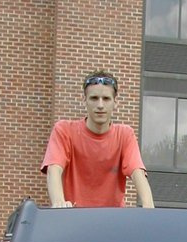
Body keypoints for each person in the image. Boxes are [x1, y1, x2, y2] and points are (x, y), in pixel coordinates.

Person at [41, 70, 154, 209]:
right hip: (73, 218)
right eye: (94, 98)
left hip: (111, 222)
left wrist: (148, 207)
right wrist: (58, 203)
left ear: (115, 103)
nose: (100, 105)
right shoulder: (64, 131)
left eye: (106, 99)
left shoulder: (125, 135)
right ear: (85, 101)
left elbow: (138, 173)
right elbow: (54, 169)